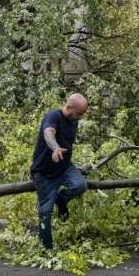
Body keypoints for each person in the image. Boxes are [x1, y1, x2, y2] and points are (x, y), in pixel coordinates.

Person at [30, 93, 89, 249]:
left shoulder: (74, 120)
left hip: (64, 167)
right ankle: (46, 248)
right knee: (45, 211)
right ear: (69, 107)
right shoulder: (53, 117)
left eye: (83, 113)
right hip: (44, 172)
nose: (81, 117)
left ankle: (61, 200)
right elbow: (48, 133)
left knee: (80, 185)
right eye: (79, 113)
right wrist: (55, 148)